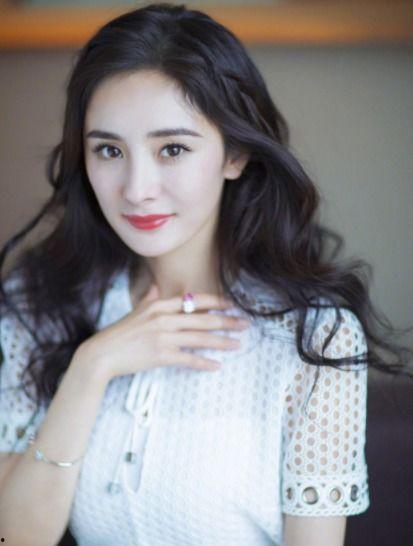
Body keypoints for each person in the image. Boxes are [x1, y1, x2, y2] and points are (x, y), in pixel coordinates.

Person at [0, 3, 412, 546]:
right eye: (108, 150)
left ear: (234, 154)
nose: (136, 189)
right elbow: (16, 537)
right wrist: (91, 367)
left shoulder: (313, 338)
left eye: (172, 149)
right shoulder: (39, 305)